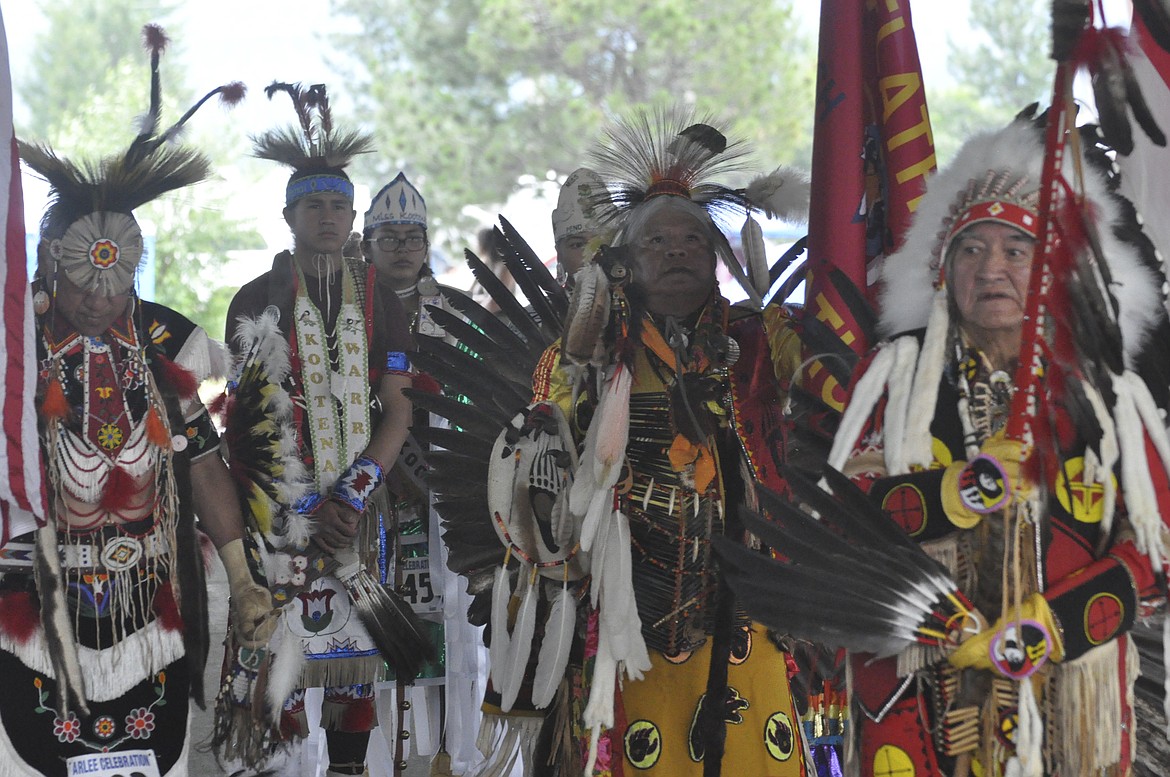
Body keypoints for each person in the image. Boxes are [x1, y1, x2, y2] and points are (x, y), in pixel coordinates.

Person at [826, 117, 1170, 776]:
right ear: (942, 270)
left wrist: (1041, 629)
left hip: (1068, 698)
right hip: (919, 688)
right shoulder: (897, 381)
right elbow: (842, 516)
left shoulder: (1103, 398)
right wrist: (957, 490)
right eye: (971, 250)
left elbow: (1156, 555)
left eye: (1017, 250)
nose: (992, 269)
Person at [481, 109, 810, 776]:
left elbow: (831, 406)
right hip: (629, 622)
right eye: (656, 242)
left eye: (692, 239)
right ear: (626, 261)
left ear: (717, 254)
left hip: (750, 617)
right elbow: (542, 484)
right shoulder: (585, 355)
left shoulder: (764, 344)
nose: (677, 251)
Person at [0, 26, 270, 777]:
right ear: (50, 268)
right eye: (84, 284)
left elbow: (204, 465)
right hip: (30, 608)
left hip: (149, 608)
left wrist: (243, 577)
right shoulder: (11, 351)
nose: (99, 300)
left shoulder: (163, 346)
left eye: (115, 283)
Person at [221, 83, 416, 777]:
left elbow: (398, 406)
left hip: (359, 510)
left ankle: (348, 770)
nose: (328, 217)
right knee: (272, 655)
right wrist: (288, 508)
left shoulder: (382, 300)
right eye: (314, 205)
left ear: (353, 214)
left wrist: (356, 493)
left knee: (353, 662)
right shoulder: (254, 298)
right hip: (279, 516)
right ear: (289, 215)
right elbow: (242, 423)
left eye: (339, 205)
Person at [550, 167, 610, 286]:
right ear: (560, 255)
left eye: (601, 244)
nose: (592, 255)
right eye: (577, 245)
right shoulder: (542, 305)